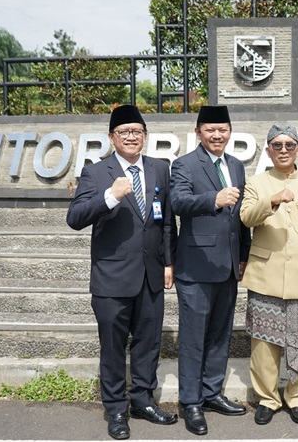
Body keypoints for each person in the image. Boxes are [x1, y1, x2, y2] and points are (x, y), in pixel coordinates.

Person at [66, 104, 178, 440]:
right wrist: (110, 197)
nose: (131, 137)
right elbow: (75, 218)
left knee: (148, 343)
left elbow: (167, 219)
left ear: (145, 137)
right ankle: (116, 407)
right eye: (124, 132)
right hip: (112, 279)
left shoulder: (160, 169)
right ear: (112, 137)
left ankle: (142, 400)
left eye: (137, 132)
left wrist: (169, 262)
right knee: (113, 347)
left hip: (151, 274)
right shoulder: (96, 173)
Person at [239, 123, 298, 426]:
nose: (283, 150)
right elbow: (246, 216)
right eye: (276, 145)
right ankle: (267, 398)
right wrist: (273, 200)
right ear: (267, 150)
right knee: (263, 344)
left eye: (289, 145)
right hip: (265, 272)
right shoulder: (256, 182)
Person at [169, 105, 251, 436]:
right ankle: (190, 401)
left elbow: (241, 215)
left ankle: (212, 392)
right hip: (196, 267)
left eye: (223, 129)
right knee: (193, 338)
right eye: (210, 130)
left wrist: (243, 255)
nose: (217, 135)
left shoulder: (235, 165)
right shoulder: (185, 164)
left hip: (229, 265)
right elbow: (178, 202)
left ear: (230, 131)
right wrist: (213, 199)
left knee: (220, 334)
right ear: (198, 132)